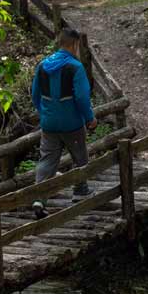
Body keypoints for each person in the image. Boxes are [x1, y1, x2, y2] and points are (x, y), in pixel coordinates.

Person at [30, 27, 97, 219]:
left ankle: (39, 199)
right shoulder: (75, 67)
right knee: (80, 156)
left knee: (47, 161)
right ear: (75, 44)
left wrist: (46, 113)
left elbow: (35, 96)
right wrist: (89, 119)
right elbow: (82, 97)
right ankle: (80, 190)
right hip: (72, 123)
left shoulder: (42, 65)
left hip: (49, 124)